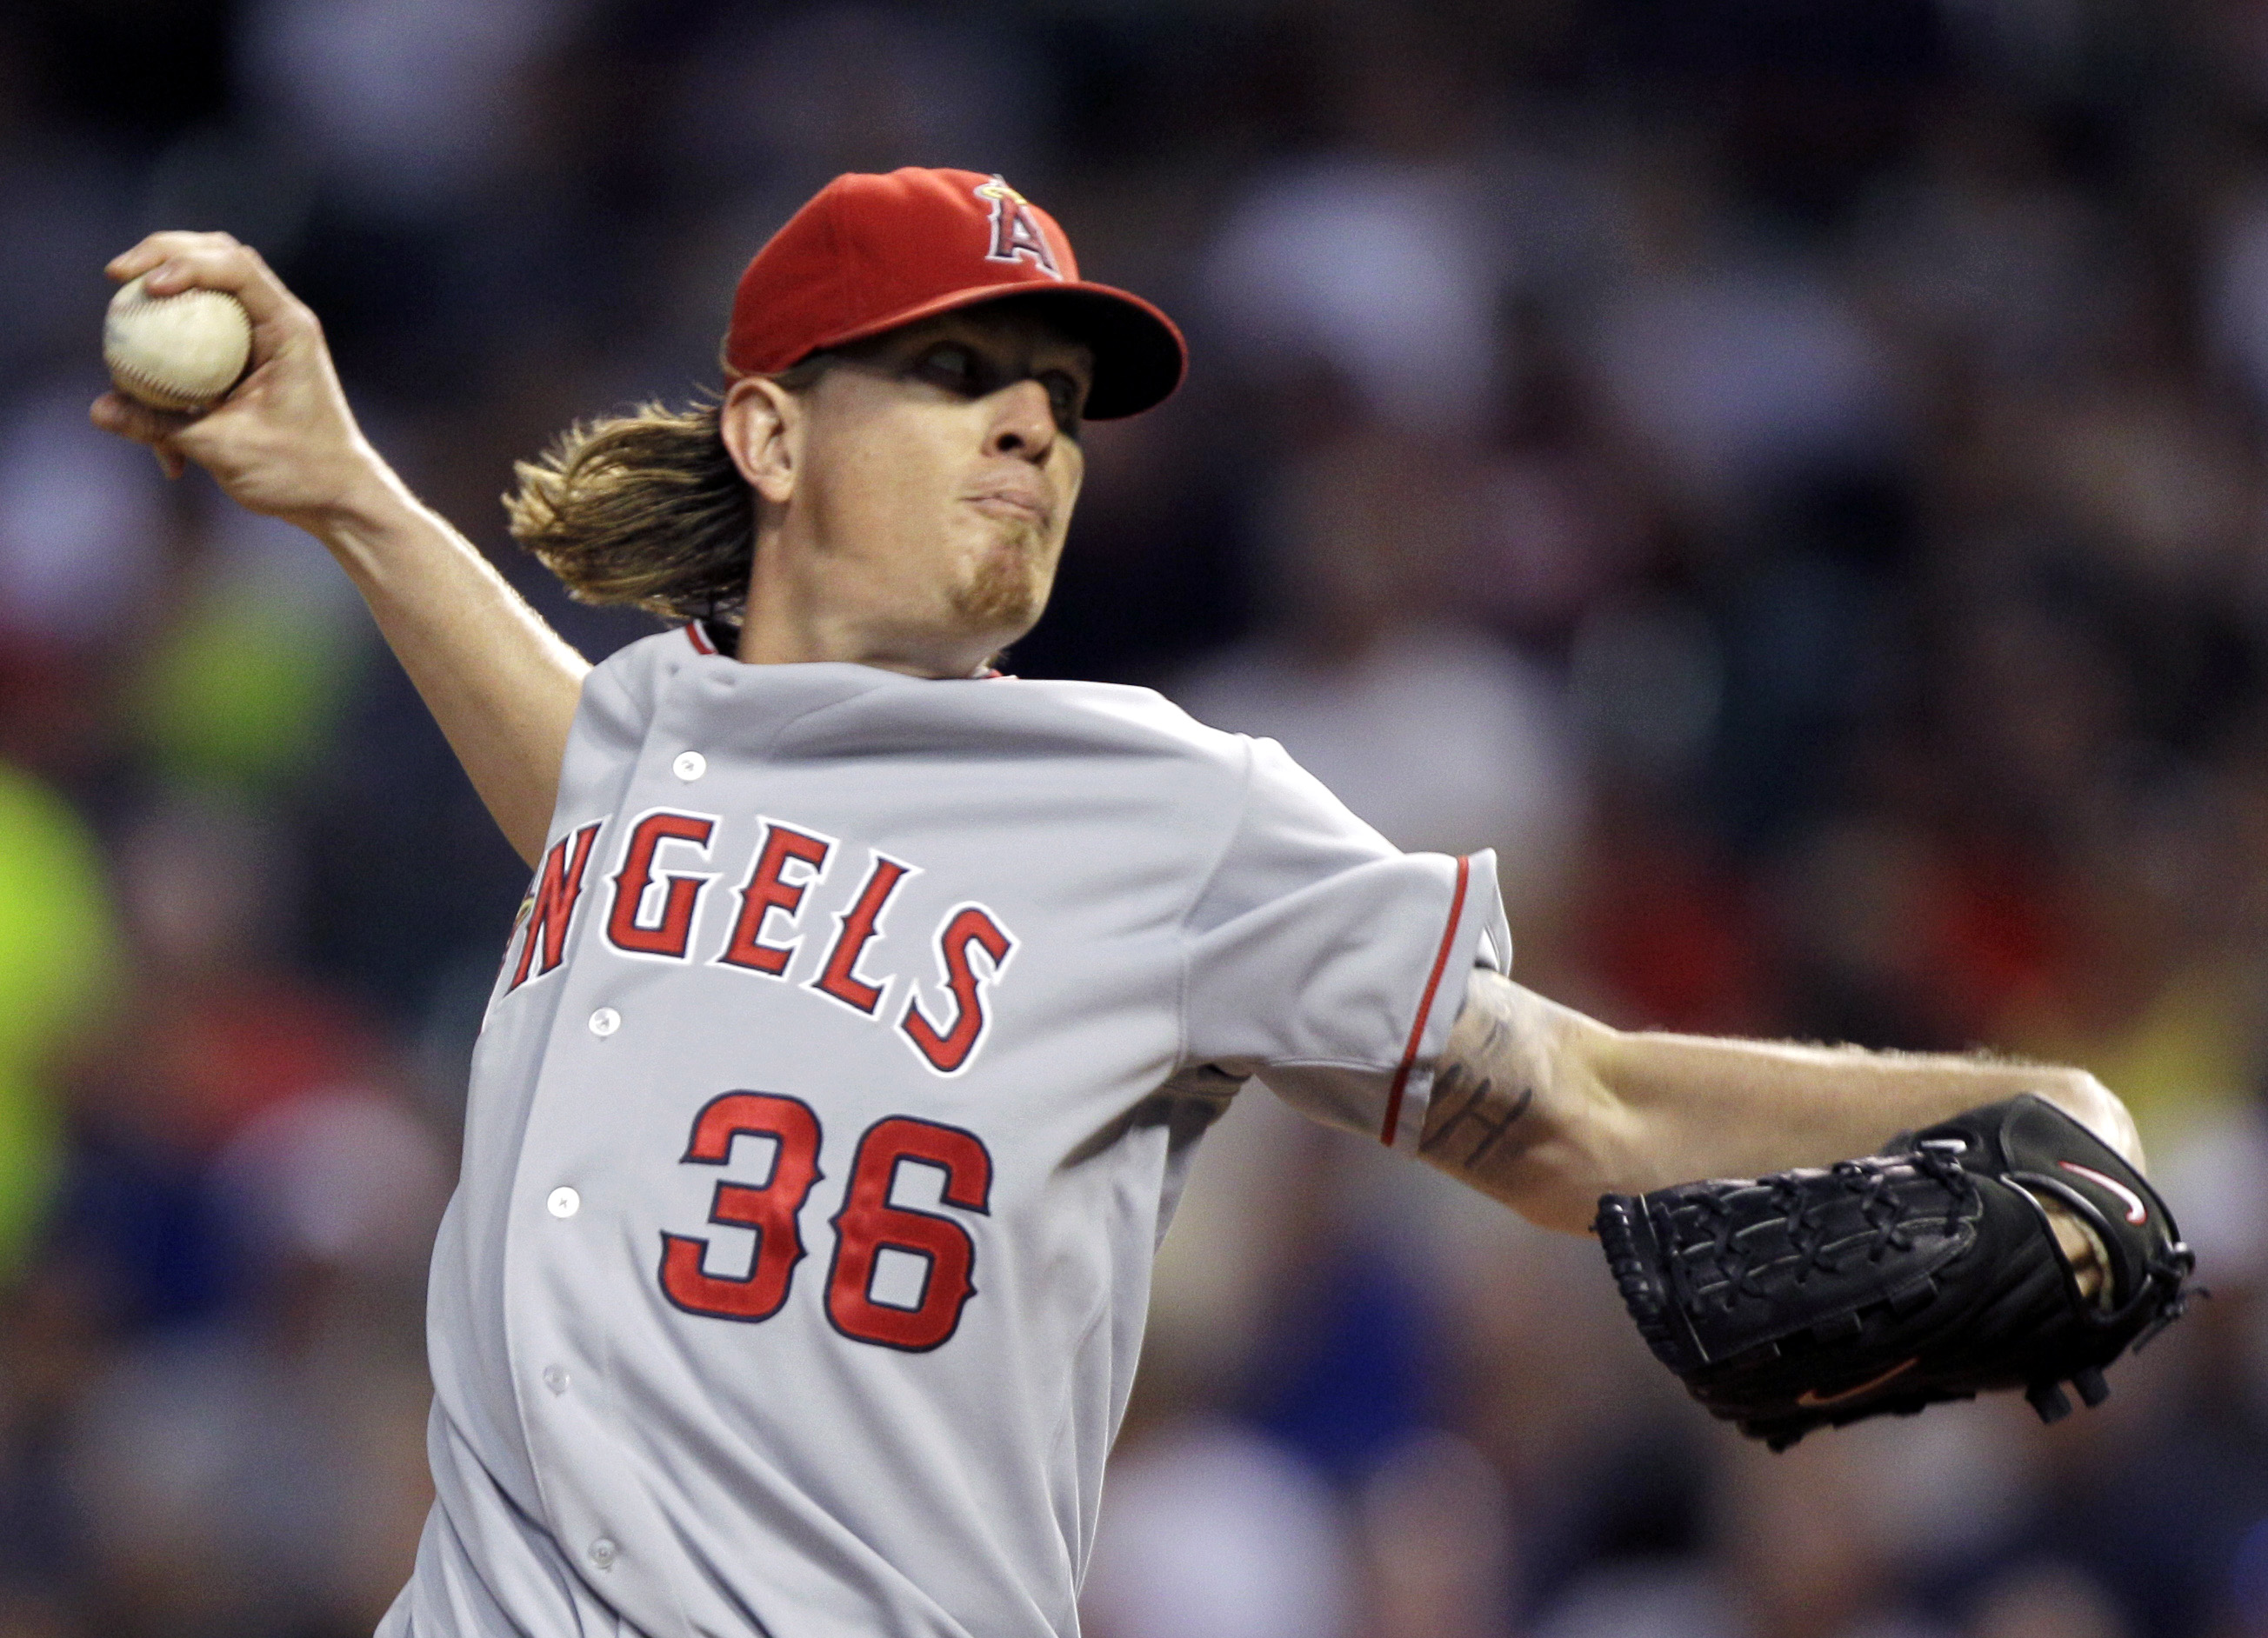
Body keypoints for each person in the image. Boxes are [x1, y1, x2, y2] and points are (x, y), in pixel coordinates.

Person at [92, 168, 2138, 1638]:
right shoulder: (652, 757)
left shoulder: (1165, 807)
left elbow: (1571, 1108)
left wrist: (2013, 1108)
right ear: (770, 433)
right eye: (958, 367)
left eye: (1057, 400)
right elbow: (596, 787)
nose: (1031, 424)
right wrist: (348, 487)